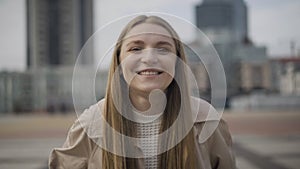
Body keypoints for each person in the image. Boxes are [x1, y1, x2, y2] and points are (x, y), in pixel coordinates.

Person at [49, 15, 236, 169]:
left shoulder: (206, 120)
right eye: (136, 48)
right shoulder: (90, 125)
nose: (149, 58)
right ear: (119, 63)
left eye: (163, 49)